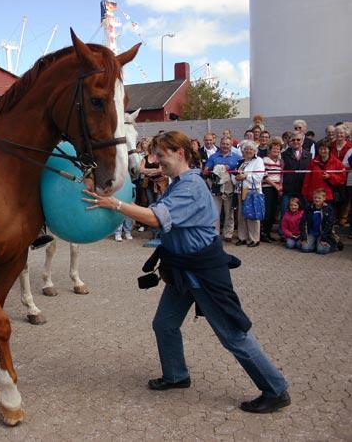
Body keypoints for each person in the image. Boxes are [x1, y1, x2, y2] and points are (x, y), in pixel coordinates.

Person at [84, 131, 290, 413]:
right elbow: (157, 212)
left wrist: (116, 204)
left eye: (161, 155)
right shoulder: (178, 183)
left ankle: (276, 389)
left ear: (180, 153)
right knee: (164, 324)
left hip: (203, 272)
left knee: (232, 334)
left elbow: (156, 217)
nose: (156, 160)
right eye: (154, 154)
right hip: (182, 270)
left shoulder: (190, 186)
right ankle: (176, 375)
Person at [203, 137, 240, 242]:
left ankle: (228, 234)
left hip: (230, 188)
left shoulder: (237, 157)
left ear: (231, 145)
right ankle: (215, 234)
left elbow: (240, 171)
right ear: (220, 144)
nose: (225, 146)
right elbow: (206, 170)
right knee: (215, 212)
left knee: (229, 212)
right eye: (223, 144)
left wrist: (230, 169)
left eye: (227, 144)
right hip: (216, 188)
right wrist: (209, 170)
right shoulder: (213, 157)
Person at [233, 140, 265, 247]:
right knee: (241, 215)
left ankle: (254, 239)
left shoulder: (258, 161)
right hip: (240, 190)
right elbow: (235, 175)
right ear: (242, 151)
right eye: (246, 149)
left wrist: (245, 176)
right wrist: (236, 178)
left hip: (252, 191)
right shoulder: (241, 162)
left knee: (253, 215)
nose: (248, 151)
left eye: (251, 149)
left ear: (255, 151)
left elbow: (259, 177)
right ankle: (243, 237)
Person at [301, 139, 345, 204]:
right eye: (320, 149)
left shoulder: (337, 163)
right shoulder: (313, 163)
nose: (322, 151)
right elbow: (307, 179)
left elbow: (342, 179)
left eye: (324, 149)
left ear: (329, 149)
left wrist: (330, 177)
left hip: (329, 196)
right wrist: (304, 193)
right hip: (314, 196)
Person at [280, 131, 312, 219]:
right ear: (290, 142)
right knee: (285, 211)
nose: (296, 142)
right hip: (288, 189)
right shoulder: (283, 155)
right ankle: (283, 230)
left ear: (302, 141)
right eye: (293, 140)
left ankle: (301, 230)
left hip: (302, 189)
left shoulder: (309, 155)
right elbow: (281, 172)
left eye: (298, 139)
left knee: (302, 212)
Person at [300, 188, 338, 254]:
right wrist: (304, 237)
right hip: (311, 233)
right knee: (305, 248)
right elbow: (303, 222)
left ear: (324, 198)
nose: (317, 200)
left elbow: (329, 225)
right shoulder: (309, 208)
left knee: (321, 250)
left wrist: (324, 238)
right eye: (315, 198)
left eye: (319, 198)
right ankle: (315, 243)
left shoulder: (328, 209)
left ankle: (333, 245)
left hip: (323, 234)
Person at [261, 138, 283, 242]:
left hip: (276, 189)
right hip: (267, 188)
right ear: (269, 150)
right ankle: (263, 233)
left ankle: (268, 233)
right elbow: (264, 176)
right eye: (274, 149)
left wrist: (280, 187)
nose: (276, 151)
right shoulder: (264, 160)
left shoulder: (279, 161)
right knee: (267, 211)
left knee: (273, 211)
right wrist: (275, 185)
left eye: (278, 149)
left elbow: (281, 175)